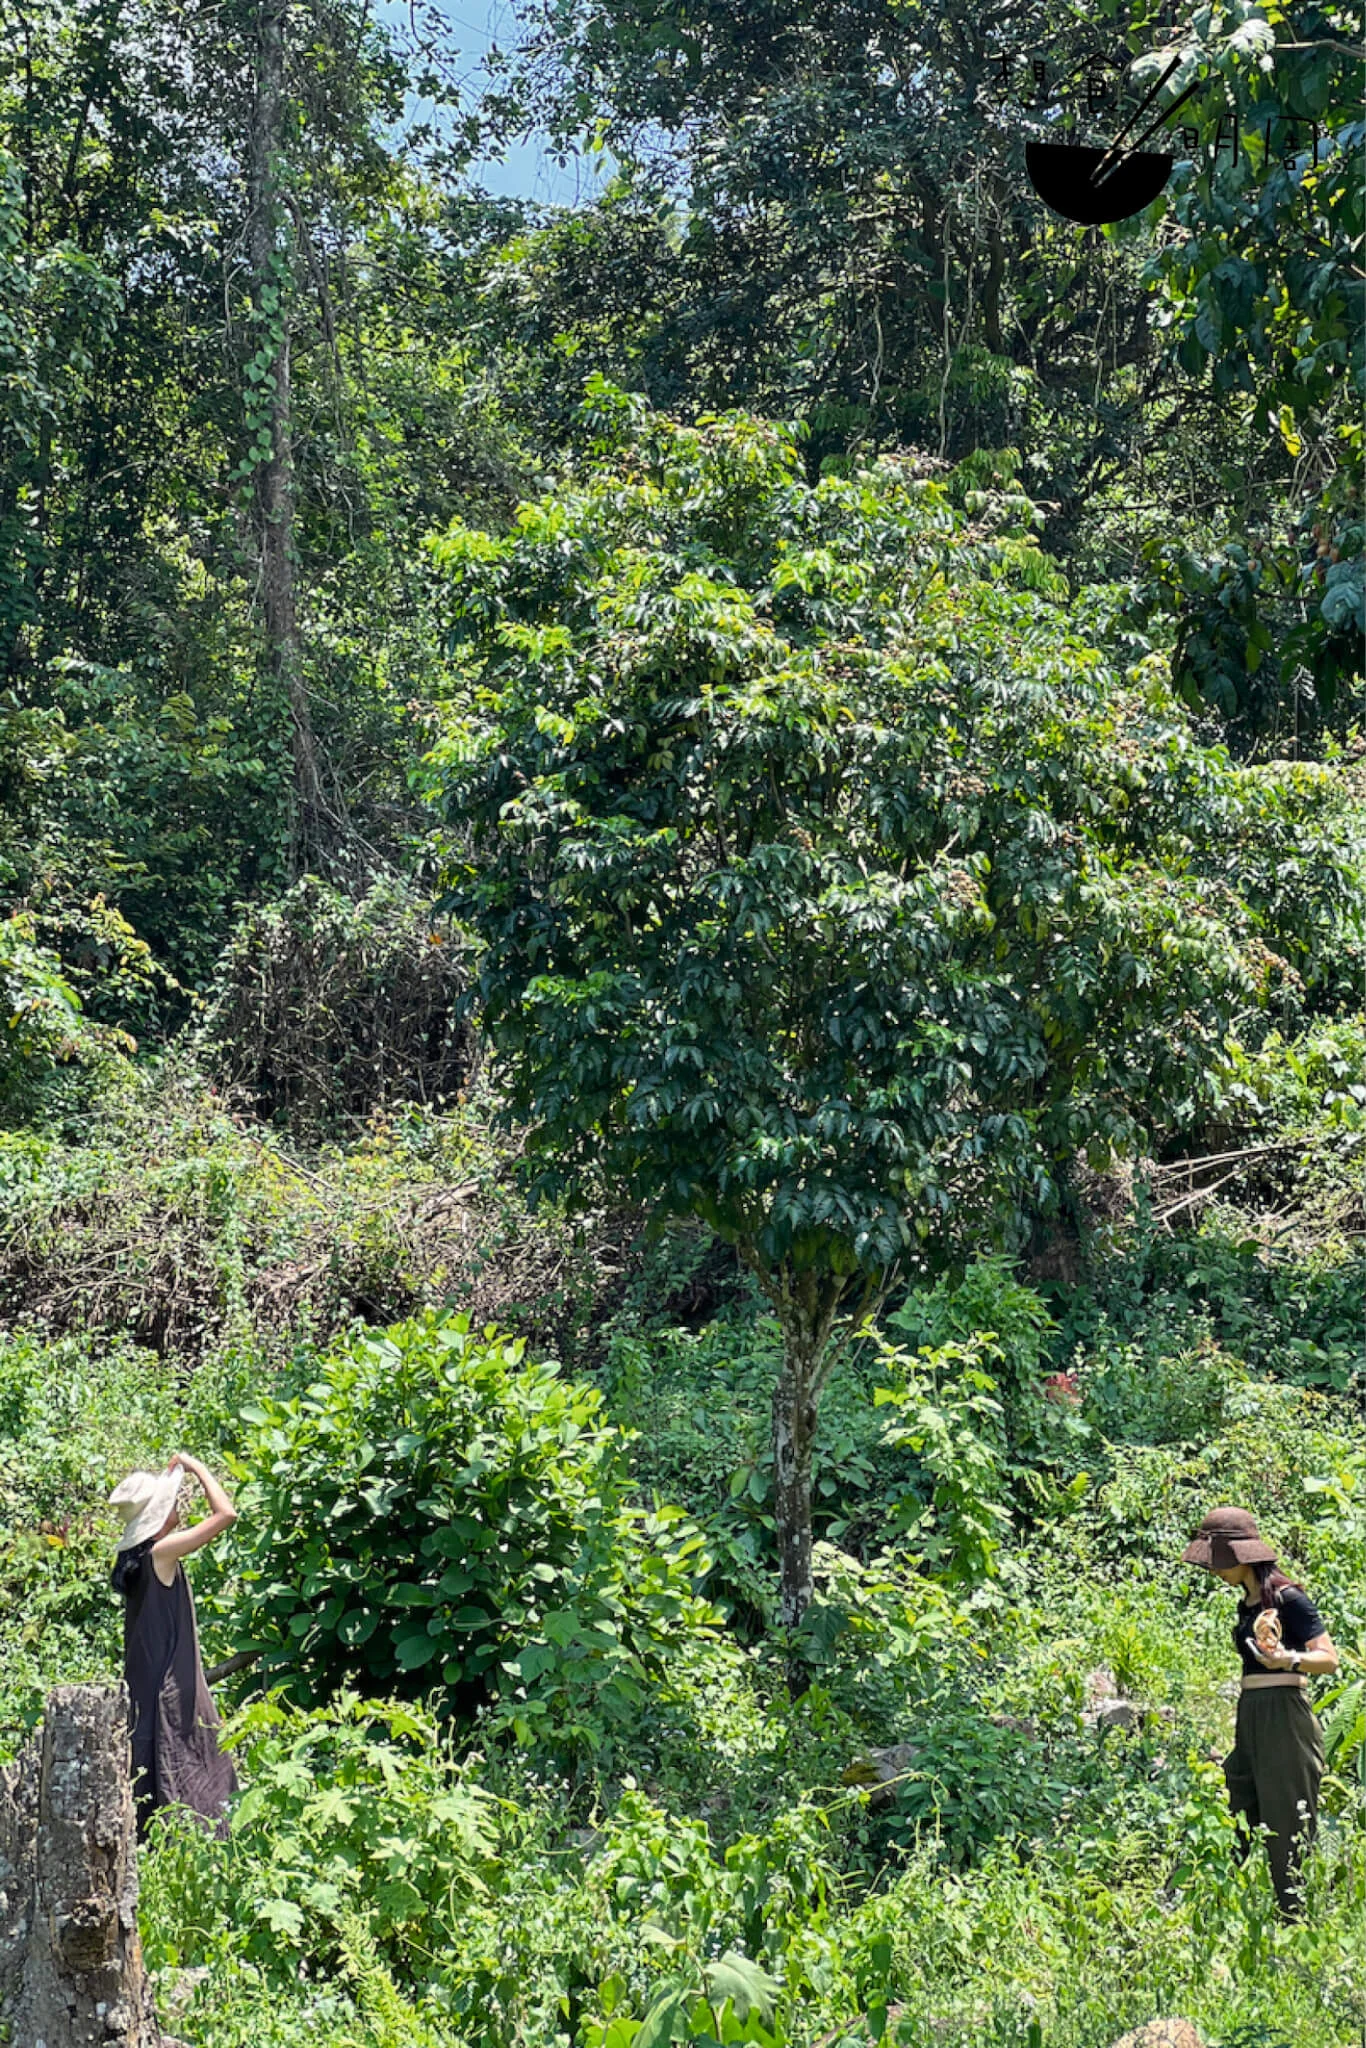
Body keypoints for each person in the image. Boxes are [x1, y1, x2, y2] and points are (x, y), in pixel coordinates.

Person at [1181, 1504, 1339, 1920]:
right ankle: (1203, 1909)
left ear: (1241, 1557)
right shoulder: (1248, 1603)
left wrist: (1287, 1658)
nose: (1215, 1571)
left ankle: (1295, 1919)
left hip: (1285, 1715)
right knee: (1233, 1805)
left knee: (1287, 1818)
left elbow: (1328, 1659)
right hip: (1250, 1713)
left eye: (1219, 1562)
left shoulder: (1290, 1599)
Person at [108, 1452, 239, 1842]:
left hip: (146, 1681)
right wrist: (195, 1466)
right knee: (193, 1770)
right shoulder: (160, 1554)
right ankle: (202, 1853)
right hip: (170, 1683)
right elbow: (226, 1514)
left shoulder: (138, 1560)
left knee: (154, 1771)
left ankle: (163, 1855)